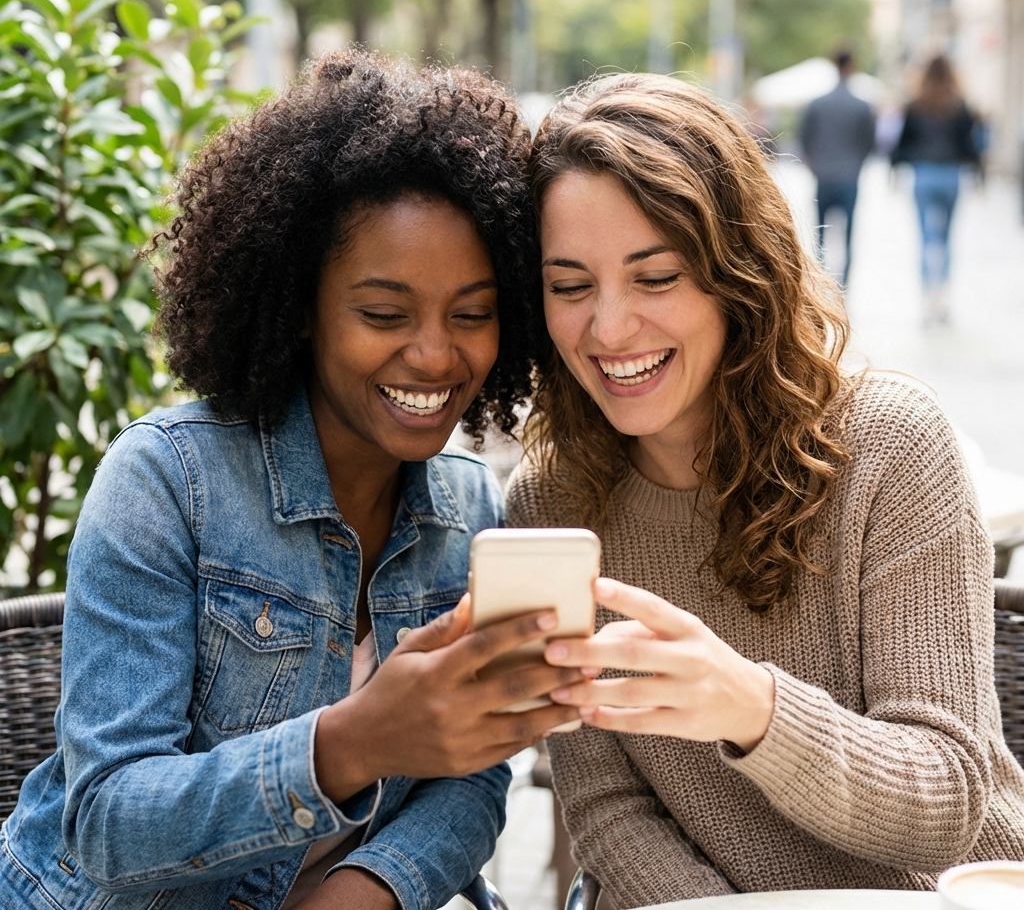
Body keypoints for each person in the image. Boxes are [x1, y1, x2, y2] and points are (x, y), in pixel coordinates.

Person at [0, 50, 584, 910]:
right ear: (299, 307)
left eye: (473, 313)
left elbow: (474, 776)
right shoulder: (169, 482)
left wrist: (365, 891)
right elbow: (107, 820)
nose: (433, 353)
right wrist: (352, 742)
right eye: (383, 314)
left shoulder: (469, 509)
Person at [507, 73, 1024, 906]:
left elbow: (947, 799)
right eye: (570, 286)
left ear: (736, 276)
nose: (607, 327)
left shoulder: (890, 443)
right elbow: (606, 811)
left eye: (656, 276)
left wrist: (750, 707)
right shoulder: (550, 506)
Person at [891, 55, 979, 325]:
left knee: (927, 237)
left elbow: (902, 142)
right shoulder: (959, 105)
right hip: (951, 175)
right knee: (947, 237)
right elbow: (970, 145)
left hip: (924, 174)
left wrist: (894, 170)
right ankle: (943, 294)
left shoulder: (916, 104)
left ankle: (929, 295)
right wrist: (978, 174)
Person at [798, 50, 876, 287]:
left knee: (820, 233)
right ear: (851, 65)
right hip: (849, 176)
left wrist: (815, 163)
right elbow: (869, 142)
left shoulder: (817, 104)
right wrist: (856, 163)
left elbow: (804, 138)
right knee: (849, 234)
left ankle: (821, 281)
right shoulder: (861, 106)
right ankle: (845, 285)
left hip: (824, 176)